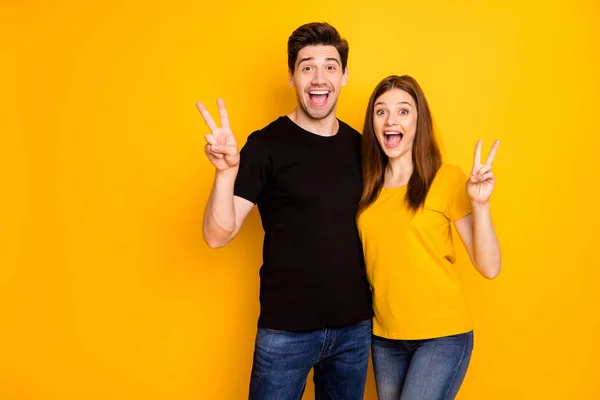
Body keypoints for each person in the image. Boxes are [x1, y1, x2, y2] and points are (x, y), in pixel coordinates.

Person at [197, 22, 373, 400]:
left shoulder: (363, 149)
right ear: (292, 76)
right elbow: (217, 234)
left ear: (344, 76)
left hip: (354, 331)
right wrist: (226, 173)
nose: (318, 77)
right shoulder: (264, 146)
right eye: (307, 66)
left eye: (330, 66)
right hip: (286, 333)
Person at [357, 75, 502, 400]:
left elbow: (490, 267)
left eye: (403, 111)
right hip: (385, 338)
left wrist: (481, 205)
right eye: (381, 112)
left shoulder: (446, 179)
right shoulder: (367, 188)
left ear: (419, 121)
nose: (391, 119)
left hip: (443, 336)